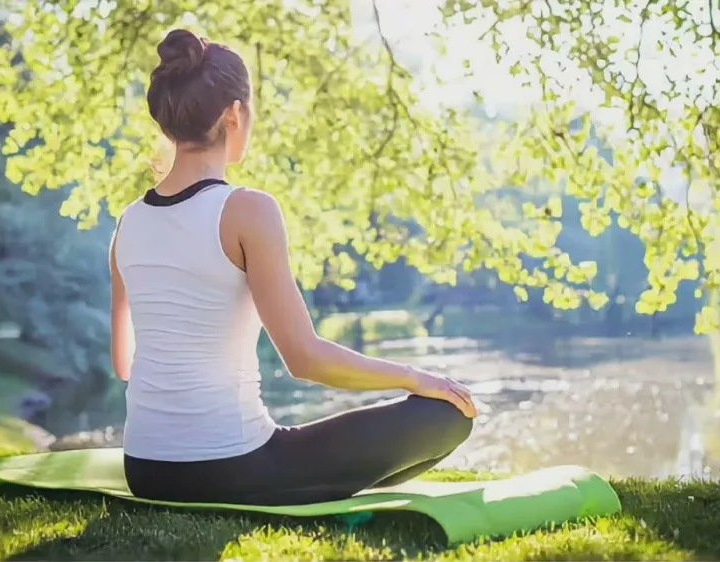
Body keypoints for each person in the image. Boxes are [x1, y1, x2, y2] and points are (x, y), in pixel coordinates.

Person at [110, 29, 477, 506]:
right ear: (234, 113)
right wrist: (415, 377)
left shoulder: (128, 222)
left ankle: (310, 480)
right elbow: (305, 360)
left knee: (309, 447)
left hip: (145, 468)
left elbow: (124, 363)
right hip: (234, 467)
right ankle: (314, 485)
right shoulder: (248, 210)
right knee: (447, 415)